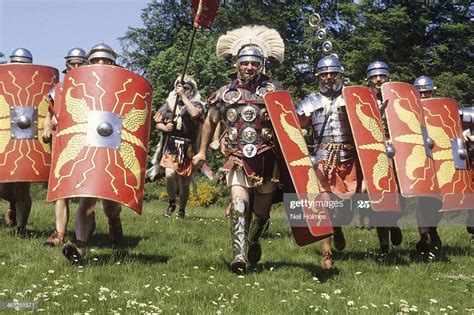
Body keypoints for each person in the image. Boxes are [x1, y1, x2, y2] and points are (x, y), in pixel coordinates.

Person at [192, 25, 284, 273]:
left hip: (266, 159)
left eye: (254, 63)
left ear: (261, 64)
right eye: (245, 63)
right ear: (236, 64)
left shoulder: (274, 92)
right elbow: (210, 121)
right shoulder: (224, 93)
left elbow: (286, 123)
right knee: (239, 203)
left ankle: (253, 239)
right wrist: (201, 152)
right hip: (237, 156)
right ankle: (239, 256)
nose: (249, 67)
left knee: (261, 213)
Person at [297, 55, 360, 268]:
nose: (329, 78)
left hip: (348, 158)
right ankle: (326, 254)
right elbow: (296, 126)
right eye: (324, 74)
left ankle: (339, 226)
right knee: (324, 206)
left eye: (333, 74)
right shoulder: (310, 101)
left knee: (343, 208)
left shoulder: (351, 99)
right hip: (323, 159)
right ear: (318, 77)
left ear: (340, 75)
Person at [62, 43, 123, 262]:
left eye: (105, 60)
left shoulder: (121, 84)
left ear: (112, 62)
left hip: (113, 146)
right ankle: (79, 247)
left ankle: (114, 220)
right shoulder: (83, 84)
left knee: (110, 203)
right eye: (96, 60)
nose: (101, 64)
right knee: (86, 200)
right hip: (89, 144)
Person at [43, 47, 89, 247]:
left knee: (83, 193)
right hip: (63, 143)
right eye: (73, 63)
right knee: (61, 192)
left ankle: (92, 226)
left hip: (86, 145)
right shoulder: (58, 89)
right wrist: (46, 130)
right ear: (67, 65)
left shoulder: (93, 87)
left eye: (80, 63)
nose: (76, 66)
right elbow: (48, 114)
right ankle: (59, 234)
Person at [366, 61, 403, 257]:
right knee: (379, 197)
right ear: (369, 79)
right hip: (374, 151)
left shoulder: (398, 98)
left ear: (389, 77)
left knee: (399, 193)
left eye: (382, 76)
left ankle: (394, 222)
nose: (378, 79)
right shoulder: (363, 99)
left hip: (397, 151)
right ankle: (383, 246)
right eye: (374, 76)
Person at [154, 75, 204, 218]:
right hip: (171, 145)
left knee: (184, 184)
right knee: (169, 175)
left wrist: (183, 97)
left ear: (191, 90)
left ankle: (181, 210)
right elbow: (158, 122)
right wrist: (164, 128)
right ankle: (171, 202)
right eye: (181, 88)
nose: (183, 90)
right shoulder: (169, 104)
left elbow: (194, 114)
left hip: (188, 148)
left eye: (186, 89)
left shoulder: (197, 105)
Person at [0, 48, 34, 235]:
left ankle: (22, 227)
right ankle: (12, 204)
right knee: (3, 188)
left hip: (27, 139)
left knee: (22, 188)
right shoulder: (3, 81)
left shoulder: (35, 85)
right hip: (5, 136)